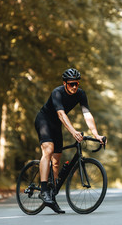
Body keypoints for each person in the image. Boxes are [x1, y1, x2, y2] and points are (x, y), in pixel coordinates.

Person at [34, 68, 106, 214]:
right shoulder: (57, 92)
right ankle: (43, 190)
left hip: (56, 126)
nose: (74, 87)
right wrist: (73, 132)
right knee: (48, 149)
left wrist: (96, 135)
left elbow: (87, 114)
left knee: (56, 162)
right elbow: (61, 114)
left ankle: (52, 196)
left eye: (76, 84)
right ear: (65, 83)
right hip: (44, 121)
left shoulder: (80, 94)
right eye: (71, 84)